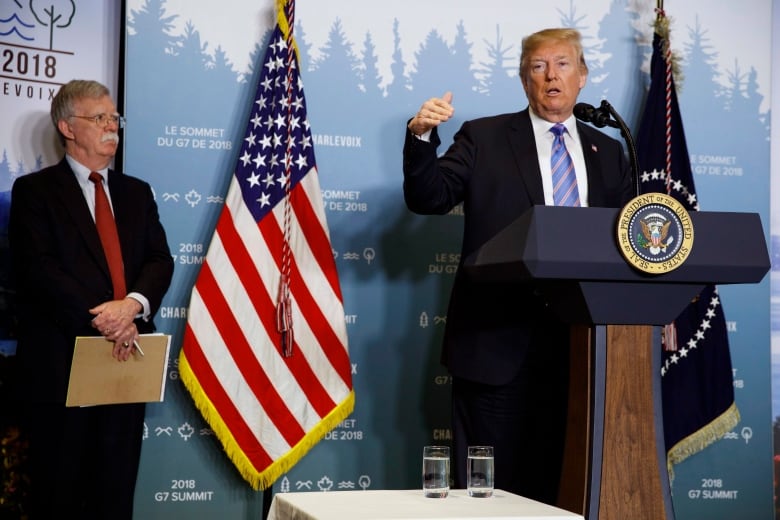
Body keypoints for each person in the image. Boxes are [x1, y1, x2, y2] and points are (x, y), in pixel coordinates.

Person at [402, 28, 633, 505]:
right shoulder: (483, 137)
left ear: (583, 76)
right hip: (495, 346)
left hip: (580, 353)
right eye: (539, 66)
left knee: (564, 489)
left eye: (564, 64)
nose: (552, 76)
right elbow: (430, 197)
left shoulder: (608, 151)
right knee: (488, 496)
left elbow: (626, 243)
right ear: (524, 80)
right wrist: (421, 136)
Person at [8, 79, 174, 518]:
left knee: (115, 496)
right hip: (62, 367)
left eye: (114, 118)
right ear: (67, 126)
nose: (111, 127)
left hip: (126, 363)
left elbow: (160, 260)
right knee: (58, 497)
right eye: (98, 118)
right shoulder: (35, 192)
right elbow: (40, 271)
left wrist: (133, 306)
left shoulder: (137, 192)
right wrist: (107, 319)